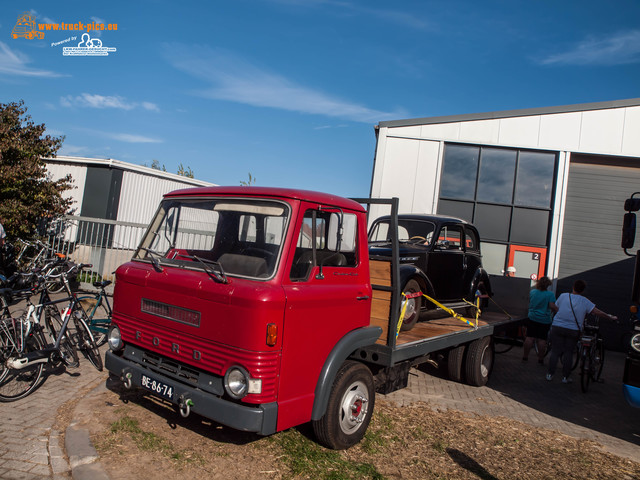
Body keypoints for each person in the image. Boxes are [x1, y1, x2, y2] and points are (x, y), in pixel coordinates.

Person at [546, 279, 617, 383]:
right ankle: (565, 377)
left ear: (573, 286)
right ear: (583, 290)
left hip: (558, 326)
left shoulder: (563, 296)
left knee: (555, 351)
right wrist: (610, 317)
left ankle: (549, 374)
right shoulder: (585, 301)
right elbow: (597, 312)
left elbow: (556, 307)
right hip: (573, 329)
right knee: (568, 353)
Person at [522, 276, 558, 364]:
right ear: (547, 285)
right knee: (541, 340)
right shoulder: (550, 294)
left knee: (529, 337)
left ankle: (525, 356)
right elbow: (552, 306)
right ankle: (540, 359)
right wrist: (558, 311)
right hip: (544, 320)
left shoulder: (533, 292)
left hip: (532, 317)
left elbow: (528, 302)